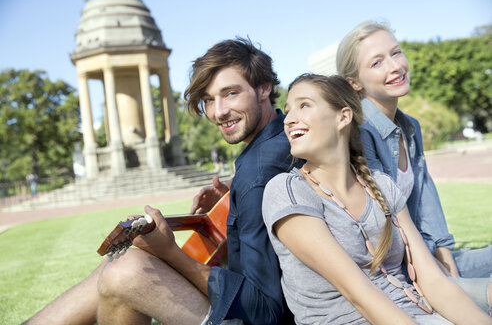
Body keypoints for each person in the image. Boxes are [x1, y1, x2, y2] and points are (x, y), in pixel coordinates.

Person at [23, 38, 300, 325]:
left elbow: (263, 311)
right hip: (252, 301)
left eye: (230, 93)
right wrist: (231, 204)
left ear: (264, 87)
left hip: (260, 318)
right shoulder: (281, 139)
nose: (218, 112)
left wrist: (170, 252)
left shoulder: (258, 173)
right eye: (208, 99)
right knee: (120, 264)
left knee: (125, 272)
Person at [262, 73, 491, 324]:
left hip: (415, 307)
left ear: (343, 117)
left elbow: (433, 281)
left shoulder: (381, 185)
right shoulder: (286, 191)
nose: (290, 119)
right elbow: (359, 294)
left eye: (304, 105)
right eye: (288, 110)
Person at [336, 20, 492, 280]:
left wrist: (445, 256)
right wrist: (442, 279)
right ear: (354, 83)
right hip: (399, 273)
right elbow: (385, 225)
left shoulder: (410, 128)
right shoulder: (360, 133)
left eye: (396, 53)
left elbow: (426, 196)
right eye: (377, 62)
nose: (396, 66)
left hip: (428, 256)